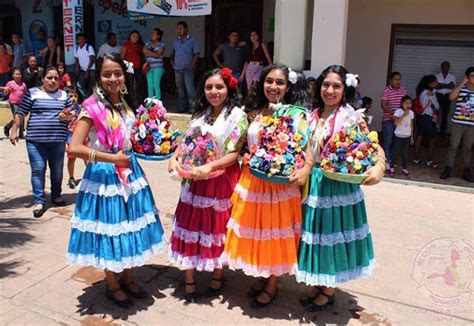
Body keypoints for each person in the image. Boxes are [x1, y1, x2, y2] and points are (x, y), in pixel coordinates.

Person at [66, 54, 166, 308]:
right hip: (104, 178)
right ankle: (112, 283)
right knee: (110, 229)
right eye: (107, 74)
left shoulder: (125, 104)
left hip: (130, 173)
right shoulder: (91, 107)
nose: (113, 79)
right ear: (98, 78)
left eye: (117, 73)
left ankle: (129, 278)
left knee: (132, 225)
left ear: (124, 75)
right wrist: (110, 158)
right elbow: (74, 147)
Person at [297, 65, 385, 312]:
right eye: (326, 84)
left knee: (332, 237)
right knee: (315, 235)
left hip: (338, 188)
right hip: (313, 184)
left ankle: (329, 289)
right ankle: (319, 283)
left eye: (336, 86)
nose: (330, 90)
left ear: (345, 89)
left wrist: (379, 165)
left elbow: (372, 145)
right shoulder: (312, 114)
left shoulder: (351, 116)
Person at [222, 63, 309, 308]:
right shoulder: (252, 111)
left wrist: (303, 168)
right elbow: (239, 144)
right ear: (262, 83)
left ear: (288, 86)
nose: (273, 86)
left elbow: (305, 150)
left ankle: (272, 284)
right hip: (251, 181)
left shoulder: (296, 114)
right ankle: (262, 275)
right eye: (269, 81)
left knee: (274, 232)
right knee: (257, 231)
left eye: (280, 82)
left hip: (280, 186)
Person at [168, 67, 248, 303]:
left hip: (221, 180)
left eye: (219, 87)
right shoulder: (199, 114)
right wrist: (174, 156)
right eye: (209, 87)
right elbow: (185, 143)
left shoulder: (237, 117)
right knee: (190, 224)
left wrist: (210, 167)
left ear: (228, 88)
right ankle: (189, 279)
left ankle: (217, 273)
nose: (214, 92)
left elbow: (234, 154)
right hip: (195, 180)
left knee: (217, 228)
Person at [10, 66, 74, 218]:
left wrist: (67, 116)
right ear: (43, 79)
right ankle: (39, 201)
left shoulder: (64, 95)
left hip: (57, 140)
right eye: (49, 78)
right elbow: (21, 112)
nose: (53, 81)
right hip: (35, 141)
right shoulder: (33, 93)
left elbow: (72, 112)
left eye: (56, 78)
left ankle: (56, 195)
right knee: (38, 170)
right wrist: (14, 129)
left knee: (57, 171)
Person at [440, 66, 474, 182]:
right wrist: (462, 83)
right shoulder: (462, 88)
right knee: (453, 146)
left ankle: (466, 171)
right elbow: (451, 97)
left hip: (472, 125)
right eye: (472, 75)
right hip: (458, 123)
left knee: (468, 148)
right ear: (468, 77)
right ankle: (448, 169)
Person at [171, 21, 200, 113]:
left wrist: (192, 65)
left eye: (180, 28)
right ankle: (182, 107)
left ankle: (193, 107)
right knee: (180, 89)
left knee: (190, 88)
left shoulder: (192, 40)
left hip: (188, 68)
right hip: (177, 68)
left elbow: (196, 53)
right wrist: (172, 64)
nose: (178, 30)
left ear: (186, 29)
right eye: (177, 28)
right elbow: (172, 54)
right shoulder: (175, 41)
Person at [380, 72, 407, 169]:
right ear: (390, 80)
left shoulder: (403, 90)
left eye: (399, 79)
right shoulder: (386, 91)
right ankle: (386, 160)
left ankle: (392, 160)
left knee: (397, 141)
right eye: (395, 79)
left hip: (399, 121)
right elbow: (383, 105)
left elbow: (406, 104)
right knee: (388, 140)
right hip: (388, 119)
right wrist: (394, 114)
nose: (398, 81)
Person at [413, 75, 440, 168]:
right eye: (435, 82)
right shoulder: (429, 92)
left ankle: (416, 158)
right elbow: (437, 106)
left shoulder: (421, 91)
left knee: (419, 137)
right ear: (430, 83)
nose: (437, 84)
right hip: (427, 118)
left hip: (420, 117)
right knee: (432, 139)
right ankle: (429, 160)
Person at [64, 87, 86, 189]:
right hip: (70, 138)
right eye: (70, 96)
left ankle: (88, 176)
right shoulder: (63, 110)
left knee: (87, 157)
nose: (73, 98)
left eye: (75, 96)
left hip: (83, 138)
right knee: (72, 159)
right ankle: (71, 178)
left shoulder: (81, 108)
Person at [391, 95, 414, 178]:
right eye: (406, 103)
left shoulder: (411, 113)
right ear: (402, 104)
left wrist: (412, 136)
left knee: (405, 153)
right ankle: (392, 167)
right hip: (398, 135)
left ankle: (405, 168)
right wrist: (404, 114)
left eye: (410, 103)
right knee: (395, 152)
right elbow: (396, 122)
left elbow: (411, 124)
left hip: (407, 136)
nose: (408, 105)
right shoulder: (398, 111)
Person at [121, 30, 147, 103]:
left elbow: (143, 57)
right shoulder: (125, 45)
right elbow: (122, 57)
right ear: (130, 37)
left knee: (141, 84)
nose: (135, 38)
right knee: (129, 86)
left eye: (137, 37)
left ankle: (142, 101)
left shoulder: (140, 46)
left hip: (138, 68)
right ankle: (128, 101)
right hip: (128, 69)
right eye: (133, 36)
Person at [1, 69, 27, 138]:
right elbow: (6, 92)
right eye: (16, 74)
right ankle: (7, 127)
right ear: (13, 76)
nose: (18, 76)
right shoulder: (10, 83)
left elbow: (25, 93)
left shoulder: (23, 84)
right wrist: (6, 91)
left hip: (21, 103)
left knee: (22, 117)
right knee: (17, 117)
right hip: (13, 103)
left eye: (19, 74)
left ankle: (21, 133)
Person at [143, 28, 165, 99]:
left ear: (158, 36)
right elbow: (144, 53)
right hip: (149, 66)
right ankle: (150, 103)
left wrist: (149, 52)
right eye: (151, 34)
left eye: (153, 34)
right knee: (150, 86)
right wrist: (155, 54)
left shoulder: (161, 44)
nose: (151, 35)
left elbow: (158, 54)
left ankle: (158, 102)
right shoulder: (147, 43)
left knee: (156, 85)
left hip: (158, 67)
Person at [436, 61, 456, 135]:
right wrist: (447, 85)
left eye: (447, 66)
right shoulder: (437, 76)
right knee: (436, 114)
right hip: (438, 96)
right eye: (444, 66)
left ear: (449, 68)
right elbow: (436, 86)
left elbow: (452, 86)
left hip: (447, 96)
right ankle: (435, 131)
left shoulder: (452, 76)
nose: (445, 68)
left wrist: (441, 85)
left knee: (445, 115)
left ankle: (442, 132)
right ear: (441, 67)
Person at [74, 33, 96, 100]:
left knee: (92, 85)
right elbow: (77, 59)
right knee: (79, 85)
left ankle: (92, 100)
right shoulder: (76, 48)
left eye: (82, 39)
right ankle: (87, 99)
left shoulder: (89, 47)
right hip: (83, 70)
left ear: (85, 40)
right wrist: (77, 67)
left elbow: (91, 60)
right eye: (79, 39)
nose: (81, 40)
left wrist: (87, 71)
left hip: (91, 69)